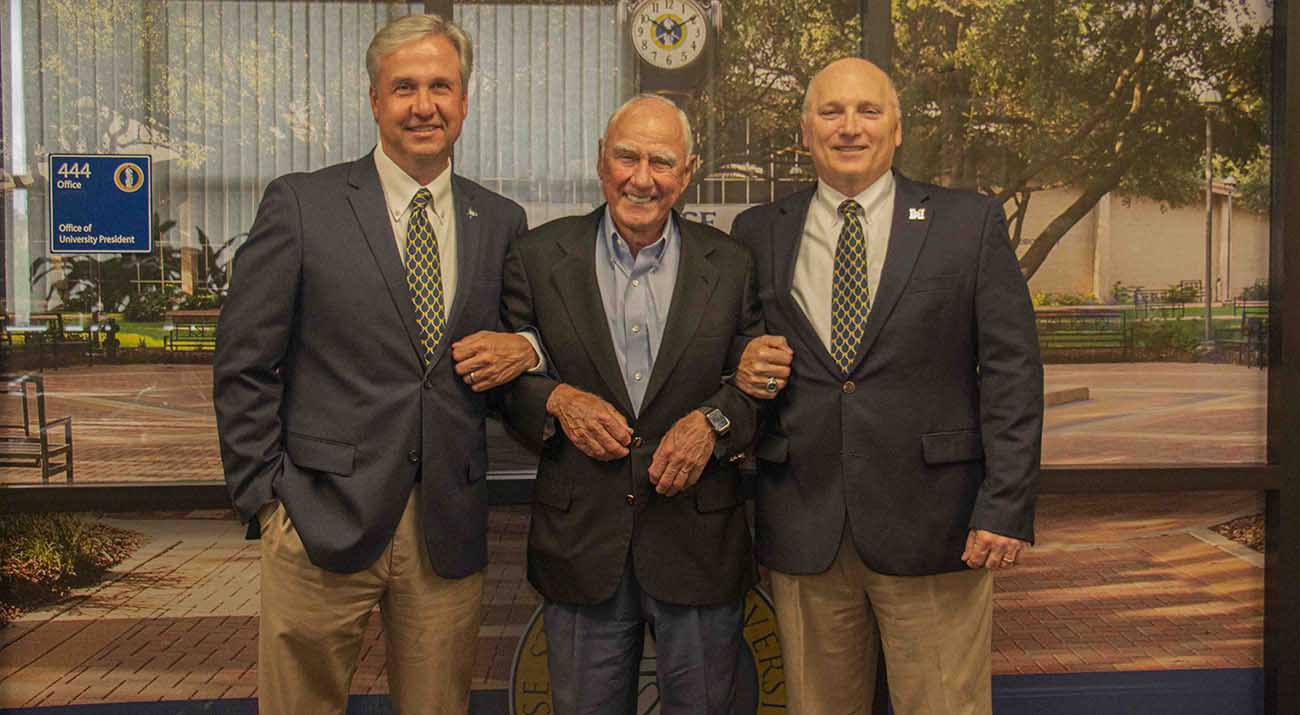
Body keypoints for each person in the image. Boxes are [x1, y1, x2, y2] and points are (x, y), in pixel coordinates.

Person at [213, 14, 541, 715]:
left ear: (464, 99)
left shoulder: (501, 219)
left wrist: (531, 348)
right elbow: (245, 362)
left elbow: (522, 342)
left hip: (445, 529)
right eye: (404, 87)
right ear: (373, 100)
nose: (424, 104)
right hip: (317, 518)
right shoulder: (304, 204)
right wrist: (267, 500)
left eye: (440, 86)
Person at [732, 58, 1044, 715]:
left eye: (868, 111)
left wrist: (1004, 503)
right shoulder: (758, 232)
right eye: (832, 112)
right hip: (805, 524)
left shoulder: (969, 224)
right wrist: (743, 360)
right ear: (805, 131)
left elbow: (1012, 370)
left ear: (897, 128)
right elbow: (738, 351)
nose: (850, 127)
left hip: (939, 525)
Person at [499, 94, 763, 715]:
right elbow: (508, 387)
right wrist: (559, 400)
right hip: (582, 547)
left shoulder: (731, 264)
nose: (641, 178)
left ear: (688, 172)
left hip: (699, 545)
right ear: (600, 160)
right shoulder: (539, 258)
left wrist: (713, 424)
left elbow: (758, 386)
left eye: (661, 162)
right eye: (627, 156)